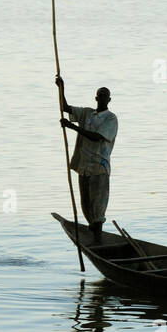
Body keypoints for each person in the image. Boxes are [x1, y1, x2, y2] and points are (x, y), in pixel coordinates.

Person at [56, 77, 118, 243]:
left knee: (98, 207)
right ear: (96, 98)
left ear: (109, 99)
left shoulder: (111, 119)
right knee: (86, 206)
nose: (103, 98)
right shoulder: (87, 113)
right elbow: (65, 108)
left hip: (99, 168)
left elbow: (97, 137)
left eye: (106, 96)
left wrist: (72, 127)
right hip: (84, 166)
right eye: (100, 95)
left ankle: (97, 239)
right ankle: (94, 235)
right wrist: (61, 88)